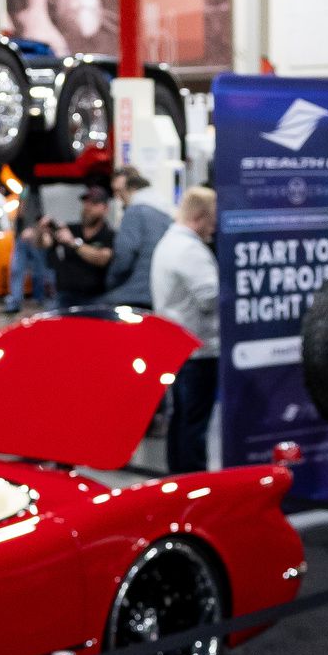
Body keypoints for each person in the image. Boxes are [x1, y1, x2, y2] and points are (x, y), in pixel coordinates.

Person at [151, 188, 222, 473]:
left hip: (178, 348)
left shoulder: (168, 243)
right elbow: (211, 297)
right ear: (198, 217)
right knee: (194, 427)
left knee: (180, 422)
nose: (214, 229)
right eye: (212, 221)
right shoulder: (190, 250)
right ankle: (194, 486)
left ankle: (178, 482)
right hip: (198, 350)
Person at [100, 166, 167, 309]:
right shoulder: (165, 213)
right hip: (158, 294)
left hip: (133, 294)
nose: (118, 197)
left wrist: (109, 282)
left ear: (132, 188)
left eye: (120, 191)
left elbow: (124, 256)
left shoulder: (135, 212)